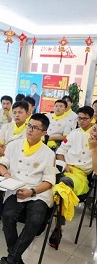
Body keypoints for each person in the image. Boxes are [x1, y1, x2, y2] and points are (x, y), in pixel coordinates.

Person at [0, 113, 55, 264]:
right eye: (29, 125)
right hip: (16, 188)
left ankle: (11, 259)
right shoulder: (14, 145)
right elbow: (2, 164)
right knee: (8, 216)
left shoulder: (48, 153)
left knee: (35, 219)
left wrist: (32, 191)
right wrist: (7, 175)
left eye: (35, 128)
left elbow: (49, 181)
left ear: (44, 133)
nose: (30, 130)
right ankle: (15, 259)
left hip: (37, 193)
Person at [49, 106, 95, 247]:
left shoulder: (95, 136)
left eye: (84, 119)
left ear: (92, 119)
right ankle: (44, 218)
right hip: (65, 167)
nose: (81, 121)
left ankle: (58, 227)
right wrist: (63, 163)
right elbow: (61, 151)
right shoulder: (74, 133)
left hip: (80, 175)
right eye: (79, 118)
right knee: (48, 181)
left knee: (63, 185)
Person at [0, 101, 30, 168]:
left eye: (20, 112)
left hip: (21, 163)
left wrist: (5, 148)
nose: (17, 115)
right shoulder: (6, 127)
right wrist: (10, 156)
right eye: (14, 112)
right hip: (3, 160)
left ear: (27, 114)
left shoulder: (30, 129)